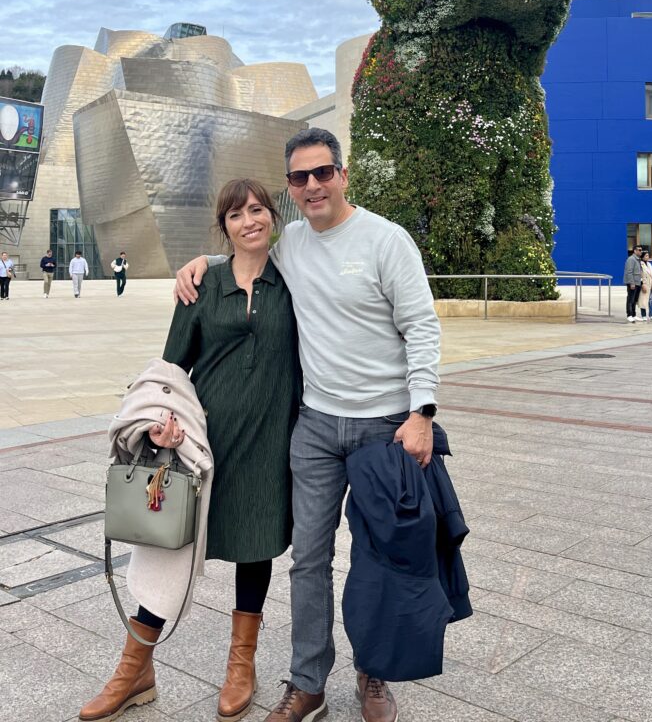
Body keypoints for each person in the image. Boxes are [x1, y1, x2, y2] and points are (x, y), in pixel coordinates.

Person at [175, 127, 441, 722]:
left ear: (343, 175)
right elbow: (245, 251)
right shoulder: (290, 241)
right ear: (290, 188)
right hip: (315, 427)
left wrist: (422, 412)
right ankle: (308, 683)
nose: (313, 185)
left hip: (385, 427)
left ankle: (373, 675)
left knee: (378, 556)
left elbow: (422, 327)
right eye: (300, 177)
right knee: (309, 561)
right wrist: (201, 263)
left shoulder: (385, 240)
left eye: (323, 173)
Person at [80, 179, 302, 722]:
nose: (249, 221)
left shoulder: (295, 282)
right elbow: (171, 371)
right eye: (235, 215)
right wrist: (163, 426)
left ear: (272, 216)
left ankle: (240, 665)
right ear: (223, 227)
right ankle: (135, 668)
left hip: (270, 443)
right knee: (169, 548)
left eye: (256, 210)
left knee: (255, 547)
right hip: (202, 443)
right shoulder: (201, 286)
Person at [623, 244, 643, 322]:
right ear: (635, 251)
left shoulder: (638, 259)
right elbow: (629, 272)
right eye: (639, 250)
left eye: (641, 250)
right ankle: (629, 315)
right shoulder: (631, 259)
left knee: (635, 299)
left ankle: (634, 315)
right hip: (633, 283)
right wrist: (632, 283)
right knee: (630, 299)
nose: (641, 251)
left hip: (638, 282)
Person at [638, 250, 652, 322]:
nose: (648, 257)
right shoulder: (640, 264)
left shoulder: (649, 264)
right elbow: (639, 275)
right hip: (644, 284)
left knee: (651, 300)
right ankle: (643, 316)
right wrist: (642, 284)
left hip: (651, 284)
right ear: (642, 257)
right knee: (643, 300)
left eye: (648, 255)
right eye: (646, 255)